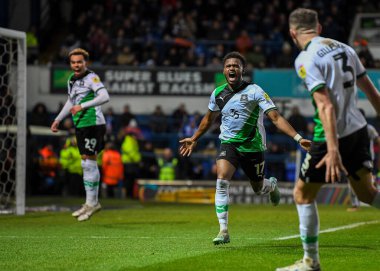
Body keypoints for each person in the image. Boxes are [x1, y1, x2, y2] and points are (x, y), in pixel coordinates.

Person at [276, 8, 380, 271]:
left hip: (332, 135)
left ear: (292, 33)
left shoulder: (305, 59)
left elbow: (326, 107)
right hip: (358, 129)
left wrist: (332, 150)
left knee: (301, 194)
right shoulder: (346, 48)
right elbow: (371, 92)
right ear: (318, 28)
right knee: (367, 194)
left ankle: (310, 262)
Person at [179, 51, 311, 245]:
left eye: (235, 65)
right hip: (229, 143)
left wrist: (298, 138)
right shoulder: (218, 93)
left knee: (258, 188)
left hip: (253, 146)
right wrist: (194, 138)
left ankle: (271, 185)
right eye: (228, 65)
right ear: (224, 70)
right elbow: (208, 120)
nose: (232, 68)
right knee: (222, 178)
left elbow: (276, 118)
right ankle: (223, 230)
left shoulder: (255, 91)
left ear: (242, 69)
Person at [50, 48, 110, 222]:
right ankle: (89, 202)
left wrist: (83, 106)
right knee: (85, 163)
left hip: (93, 123)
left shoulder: (92, 78)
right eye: (73, 62)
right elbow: (71, 101)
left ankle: (93, 203)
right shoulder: (71, 79)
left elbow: (105, 96)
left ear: (86, 63)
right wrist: (58, 119)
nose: (76, 65)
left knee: (90, 161)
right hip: (81, 124)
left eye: (80, 62)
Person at [347, 109, 380, 211]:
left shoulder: (368, 128)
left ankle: (356, 205)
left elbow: (377, 140)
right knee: (360, 184)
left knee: (366, 185)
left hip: (366, 159)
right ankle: (355, 205)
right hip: (356, 159)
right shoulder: (351, 128)